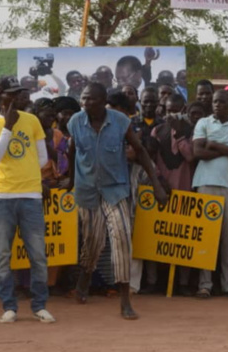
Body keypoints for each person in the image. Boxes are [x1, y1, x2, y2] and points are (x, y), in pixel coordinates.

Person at [67, 82, 167, 317]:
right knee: (92, 242)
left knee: (122, 237)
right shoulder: (75, 122)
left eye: (90, 99)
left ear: (102, 102)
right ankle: (85, 277)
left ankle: (125, 300)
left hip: (116, 189)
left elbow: (140, 151)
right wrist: (70, 181)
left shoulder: (121, 122)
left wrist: (157, 184)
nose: (85, 103)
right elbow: (72, 151)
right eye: (83, 99)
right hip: (88, 191)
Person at [0, 75, 55, 323]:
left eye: (18, 93)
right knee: (3, 254)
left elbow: (43, 158)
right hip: (4, 196)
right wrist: (8, 127)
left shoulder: (32, 120)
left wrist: (27, 171)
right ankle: (9, 306)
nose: (15, 97)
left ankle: (39, 305)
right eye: (10, 93)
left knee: (38, 255)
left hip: (31, 195)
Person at [192, 90, 228, 298]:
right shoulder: (203, 123)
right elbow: (198, 153)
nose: (217, 105)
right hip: (205, 183)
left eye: (222, 102)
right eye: (215, 101)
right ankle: (204, 285)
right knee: (205, 236)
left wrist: (214, 145)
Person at [151, 93, 196, 296]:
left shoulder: (191, 130)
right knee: (157, 237)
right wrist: (159, 181)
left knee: (184, 239)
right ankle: (154, 282)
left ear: (183, 110)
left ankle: (183, 283)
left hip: (185, 189)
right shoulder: (157, 130)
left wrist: (179, 134)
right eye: (169, 111)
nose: (171, 115)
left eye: (176, 111)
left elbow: (190, 156)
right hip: (162, 191)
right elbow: (150, 159)